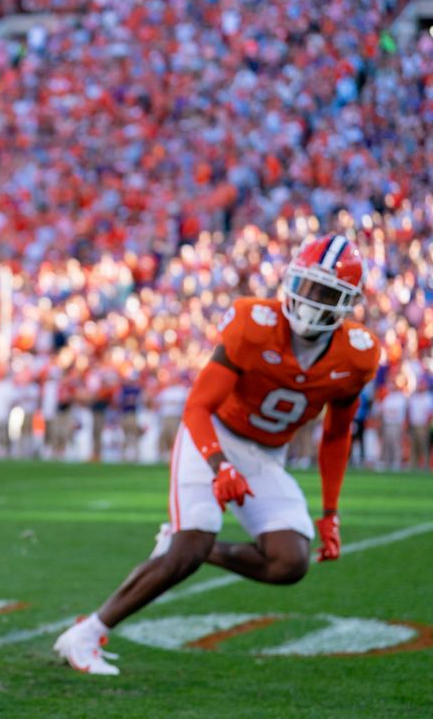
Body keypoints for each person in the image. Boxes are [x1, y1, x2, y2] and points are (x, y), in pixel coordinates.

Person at [53, 236, 379, 675]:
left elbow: (337, 436)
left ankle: (190, 546)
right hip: (212, 435)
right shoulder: (253, 321)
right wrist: (217, 463)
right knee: (194, 537)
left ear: (347, 303)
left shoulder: (358, 355)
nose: (309, 298)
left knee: (290, 561)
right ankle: (87, 634)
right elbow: (197, 407)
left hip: (266, 455)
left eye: (325, 292)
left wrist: (331, 511)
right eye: (306, 284)